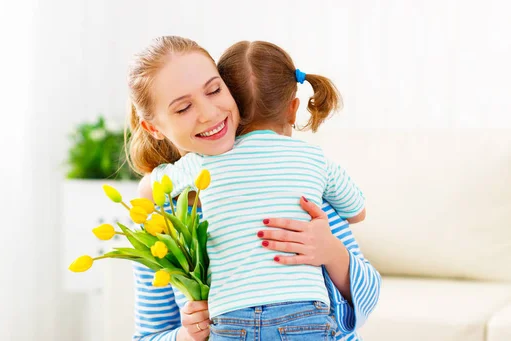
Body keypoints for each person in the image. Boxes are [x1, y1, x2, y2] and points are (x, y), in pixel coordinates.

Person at [125, 36, 380, 341]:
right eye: (183, 108)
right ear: (153, 127)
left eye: (214, 89)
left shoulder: (296, 182)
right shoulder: (161, 221)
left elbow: (370, 296)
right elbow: (148, 336)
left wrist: (332, 252)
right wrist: (187, 335)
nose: (208, 113)